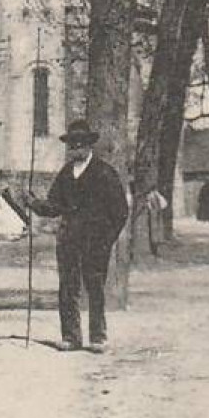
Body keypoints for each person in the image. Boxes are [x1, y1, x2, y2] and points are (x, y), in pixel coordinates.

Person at [25, 119, 129, 353]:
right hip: (69, 239)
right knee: (68, 287)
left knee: (95, 287)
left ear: (90, 146)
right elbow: (54, 206)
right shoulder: (65, 174)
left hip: (96, 242)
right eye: (73, 144)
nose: (77, 148)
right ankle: (71, 337)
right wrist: (34, 203)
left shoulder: (104, 172)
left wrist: (107, 240)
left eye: (81, 144)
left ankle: (98, 338)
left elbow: (120, 211)